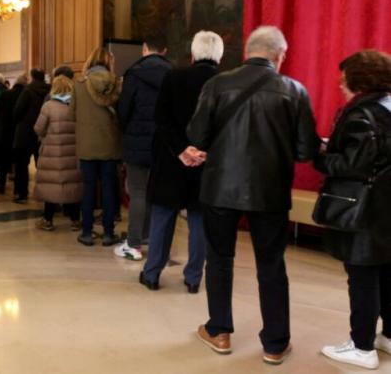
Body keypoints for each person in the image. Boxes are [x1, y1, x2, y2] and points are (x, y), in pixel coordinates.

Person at [186, 26, 320, 364]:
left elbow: (197, 134)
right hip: (270, 192)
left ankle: (219, 332)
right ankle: (275, 344)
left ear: (247, 51)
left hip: (219, 189)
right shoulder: (294, 90)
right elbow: (306, 151)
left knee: (219, 259)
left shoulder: (217, 84)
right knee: (272, 265)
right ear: (280, 55)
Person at [316, 50, 391, 370]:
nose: (339, 82)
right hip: (387, 206)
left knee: (361, 276)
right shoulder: (388, 106)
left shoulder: (362, 114)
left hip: (365, 210)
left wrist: (320, 155)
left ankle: (361, 346)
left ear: (359, 79)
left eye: (344, 77)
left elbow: (351, 165)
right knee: (386, 272)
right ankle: (387, 335)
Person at [140, 31, 222, 292]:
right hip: (207, 164)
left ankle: (152, 273)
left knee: (163, 217)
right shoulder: (224, 82)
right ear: (219, 55)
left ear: (193, 53)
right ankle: (194, 278)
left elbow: (162, 119)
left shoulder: (174, 76)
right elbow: (225, 126)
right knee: (199, 221)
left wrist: (182, 150)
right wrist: (202, 152)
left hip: (171, 159)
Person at [114, 36, 172, 261]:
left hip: (137, 142)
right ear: (164, 50)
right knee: (157, 194)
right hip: (164, 144)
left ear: (144, 49)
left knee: (137, 192)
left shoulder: (133, 73)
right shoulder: (173, 73)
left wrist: (126, 130)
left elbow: (124, 110)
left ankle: (134, 244)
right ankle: (150, 237)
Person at [72, 47, 123, 247]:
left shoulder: (79, 83)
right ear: (109, 62)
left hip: (86, 145)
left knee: (89, 189)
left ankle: (86, 232)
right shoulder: (116, 84)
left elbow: (72, 114)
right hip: (110, 144)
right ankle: (109, 233)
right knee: (109, 189)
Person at [33, 75, 83, 231]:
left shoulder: (48, 106)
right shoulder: (77, 105)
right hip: (73, 152)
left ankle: (48, 220)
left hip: (52, 154)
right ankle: (75, 220)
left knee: (51, 186)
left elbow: (38, 128)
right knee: (72, 184)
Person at [12, 68, 50, 203]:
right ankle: (46, 195)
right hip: (43, 133)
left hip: (25, 132)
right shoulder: (49, 90)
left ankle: (21, 194)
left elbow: (18, 111)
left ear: (32, 77)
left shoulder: (27, 90)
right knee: (43, 166)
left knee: (21, 165)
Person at [0, 74, 28, 194]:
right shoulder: (25, 95)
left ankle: (1, 184)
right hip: (18, 131)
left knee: (3, 159)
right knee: (18, 161)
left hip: (4, 131)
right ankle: (17, 189)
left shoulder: (5, 94)